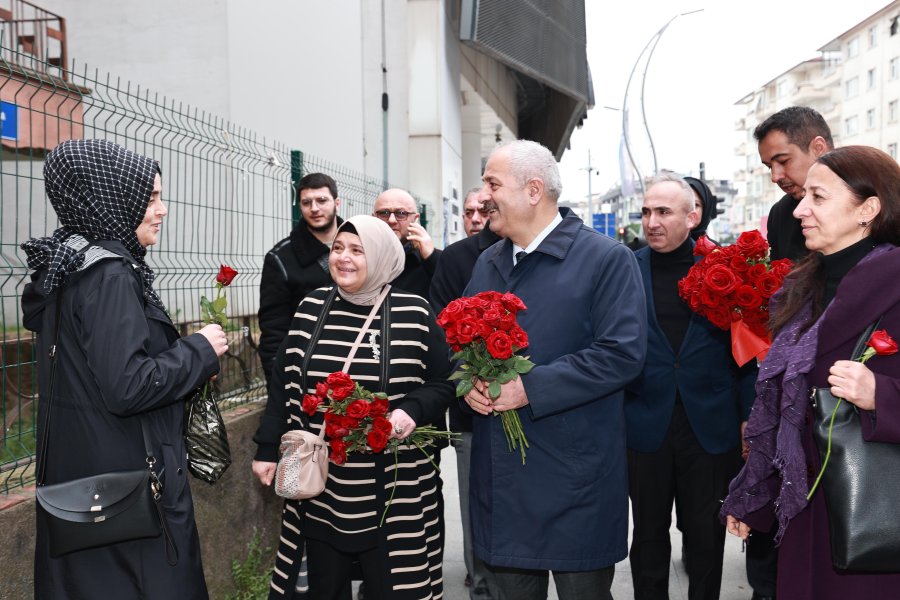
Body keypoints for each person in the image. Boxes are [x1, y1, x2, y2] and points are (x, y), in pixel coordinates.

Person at [22, 139, 228, 599]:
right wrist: (200, 350)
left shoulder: (68, 262)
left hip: (84, 483)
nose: (162, 209)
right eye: (151, 197)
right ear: (112, 198)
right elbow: (128, 386)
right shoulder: (109, 274)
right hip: (131, 490)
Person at [462, 140, 647, 600]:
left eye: (492, 184)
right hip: (503, 484)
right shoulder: (488, 261)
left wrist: (530, 388)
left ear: (533, 190)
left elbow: (622, 353)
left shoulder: (605, 259)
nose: (484, 195)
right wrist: (468, 383)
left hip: (575, 481)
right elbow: (460, 339)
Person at [722, 145, 900, 599]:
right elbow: (781, 406)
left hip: (873, 509)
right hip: (804, 507)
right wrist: (755, 495)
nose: (800, 209)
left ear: (868, 209)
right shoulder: (800, 290)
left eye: (818, 197)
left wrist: (881, 394)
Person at [252, 215, 454, 599]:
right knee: (323, 584)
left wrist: (411, 409)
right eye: (338, 248)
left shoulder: (413, 312)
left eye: (357, 250)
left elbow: (445, 381)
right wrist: (266, 448)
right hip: (320, 482)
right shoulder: (312, 307)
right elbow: (284, 383)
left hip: (393, 485)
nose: (343, 258)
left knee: (392, 584)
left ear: (380, 256)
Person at [626, 173, 756, 600]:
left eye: (663, 212)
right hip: (646, 423)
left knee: (705, 535)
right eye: (646, 211)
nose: (652, 221)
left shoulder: (725, 269)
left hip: (710, 425)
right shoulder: (626, 268)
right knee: (647, 536)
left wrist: (746, 418)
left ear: (692, 215)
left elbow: (746, 353)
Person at [429, 187, 502, 600]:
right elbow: (441, 328)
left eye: (486, 207)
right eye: (472, 209)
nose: (479, 214)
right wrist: (469, 378)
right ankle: (481, 583)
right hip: (469, 408)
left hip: (528, 401)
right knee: (477, 503)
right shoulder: (457, 258)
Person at [258, 172, 342, 384]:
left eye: (322, 200)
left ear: (337, 203)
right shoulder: (280, 259)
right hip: (307, 369)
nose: (314, 208)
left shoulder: (363, 246)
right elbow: (273, 328)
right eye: (306, 202)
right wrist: (278, 383)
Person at [755, 106, 834, 262]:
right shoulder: (780, 214)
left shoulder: (867, 196)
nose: (775, 177)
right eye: (769, 167)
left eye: (784, 161)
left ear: (818, 148)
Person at [373, 188, 441, 298]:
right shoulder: (362, 256)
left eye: (401, 213)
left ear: (415, 219)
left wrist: (431, 258)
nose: (391, 220)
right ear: (373, 217)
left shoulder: (431, 260)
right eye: (384, 213)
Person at [684, 176, 718, 244]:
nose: (689, 210)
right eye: (683, 204)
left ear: (705, 210)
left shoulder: (715, 250)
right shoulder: (660, 246)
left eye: (695, 205)